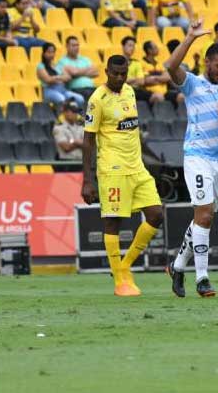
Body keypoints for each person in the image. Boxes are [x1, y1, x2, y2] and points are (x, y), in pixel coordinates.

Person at [165, 19, 218, 298]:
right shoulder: (192, 84)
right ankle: (202, 278)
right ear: (206, 63)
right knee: (203, 214)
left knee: (205, 218)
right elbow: (170, 66)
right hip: (197, 155)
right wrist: (190, 37)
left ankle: (178, 265)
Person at [80, 54, 164, 296]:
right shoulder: (97, 99)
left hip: (136, 166)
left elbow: (133, 130)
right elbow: (88, 141)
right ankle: (120, 281)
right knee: (113, 221)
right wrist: (87, 180)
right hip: (112, 168)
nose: (119, 77)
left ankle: (123, 265)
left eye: (123, 73)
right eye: (114, 73)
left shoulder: (129, 92)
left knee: (156, 214)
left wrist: (149, 158)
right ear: (106, 71)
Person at [38, 42, 84, 106]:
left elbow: (68, 77)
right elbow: (48, 80)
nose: (51, 54)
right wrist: (60, 78)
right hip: (49, 91)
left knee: (79, 98)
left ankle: (76, 115)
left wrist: (56, 78)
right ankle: (61, 115)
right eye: (49, 52)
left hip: (62, 90)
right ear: (44, 53)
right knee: (61, 99)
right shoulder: (41, 66)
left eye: (53, 52)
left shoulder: (57, 66)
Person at [57, 36, 98, 100]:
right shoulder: (62, 61)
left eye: (77, 45)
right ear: (67, 46)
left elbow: (96, 72)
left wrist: (76, 73)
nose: (76, 48)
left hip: (91, 88)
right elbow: (69, 76)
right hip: (75, 90)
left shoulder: (85, 59)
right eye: (73, 45)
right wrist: (87, 70)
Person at [122, 35, 153, 104]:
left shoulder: (136, 63)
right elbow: (118, 81)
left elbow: (141, 81)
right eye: (130, 45)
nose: (132, 48)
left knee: (155, 96)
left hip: (135, 90)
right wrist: (134, 79)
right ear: (123, 47)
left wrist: (127, 80)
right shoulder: (116, 62)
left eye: (133, 46)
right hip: (121, 91)